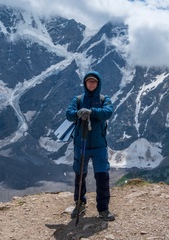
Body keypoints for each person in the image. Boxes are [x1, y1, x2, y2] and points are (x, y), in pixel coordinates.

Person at [66, 70, 115, 221]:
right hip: (81, 144)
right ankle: (79, 203)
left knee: (102, 177)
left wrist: (91, 111)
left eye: (94, 81)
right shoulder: (79, 99)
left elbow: (108, 112)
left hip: (99, 145)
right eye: (89, 81)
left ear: (98, 83)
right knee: (80, 175)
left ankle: (103, 209)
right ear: (85, 83)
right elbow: (69, 113)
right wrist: (78, 113)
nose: (91, 84)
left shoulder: (103, 99)